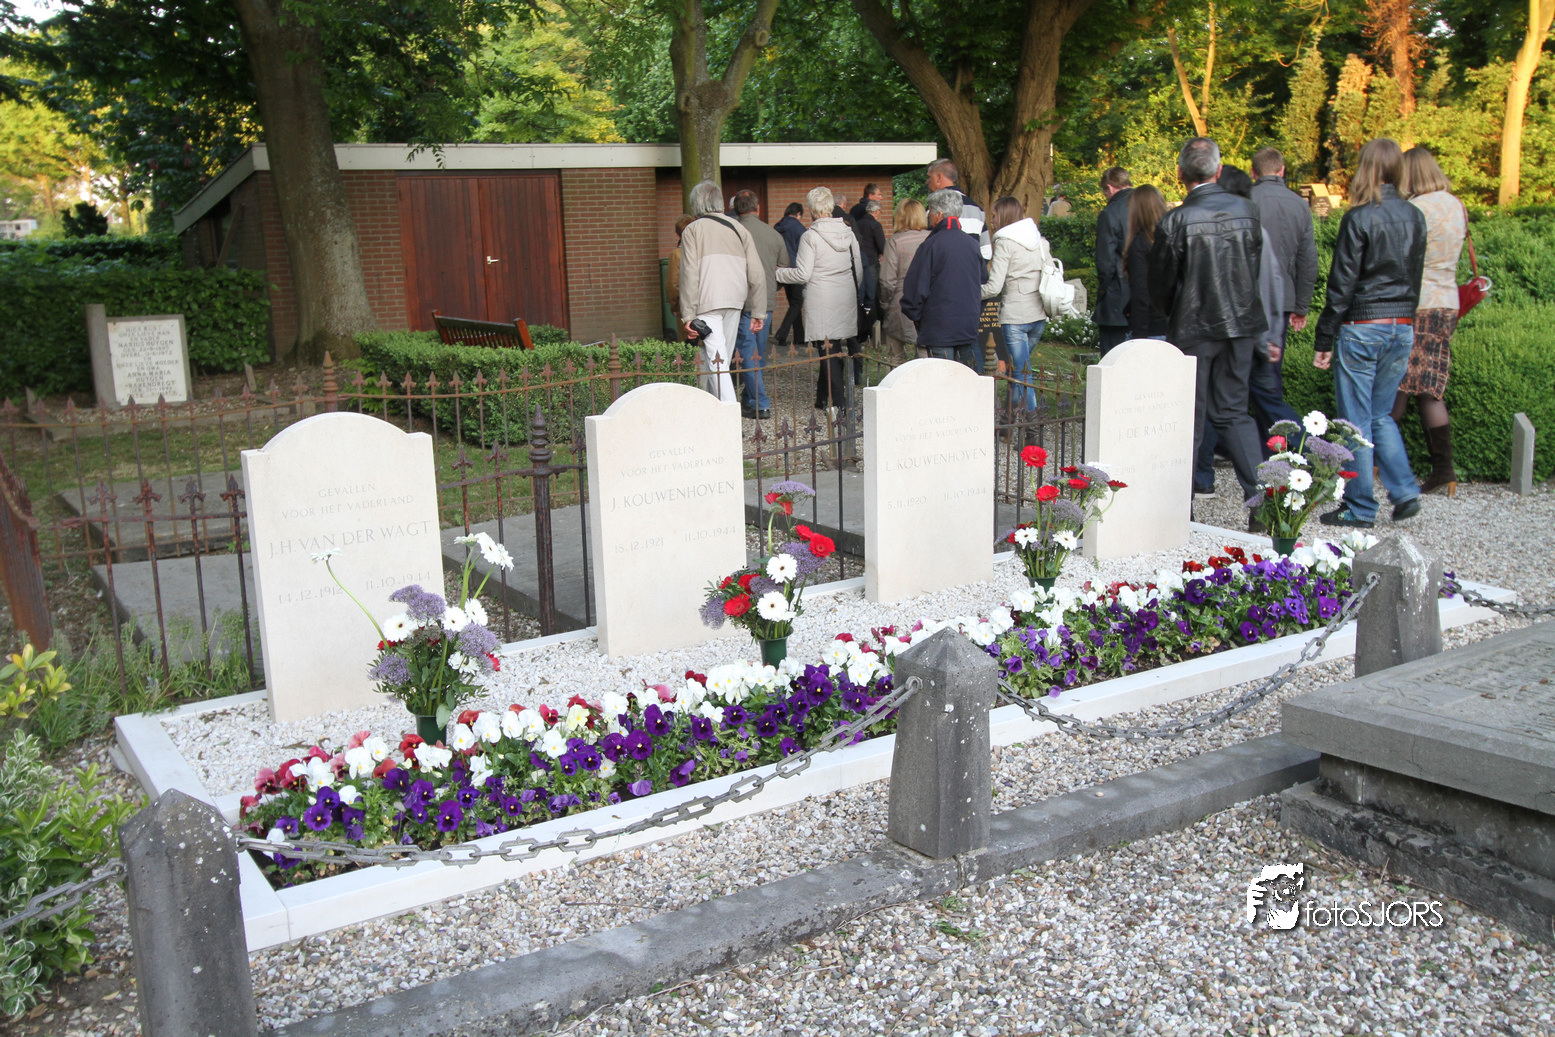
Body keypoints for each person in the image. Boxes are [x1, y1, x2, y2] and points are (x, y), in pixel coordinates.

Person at [1148, 138, 1268, 518]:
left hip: (1195, 325)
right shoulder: (1248, 211)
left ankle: (1178, 510)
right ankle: (1264, 504)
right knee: (1233, 411)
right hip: (1240, 324)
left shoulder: (1176, 220)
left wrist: (1175, 313)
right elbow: (1252, 267)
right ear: (1218, 170)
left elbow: (1160, 284)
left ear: (1180, 173)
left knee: (1190, 415)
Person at [1312, 138, 1426, 529]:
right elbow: (1415, 275)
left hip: (1363, 326)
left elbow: (1341, 285)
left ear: (1365, 169)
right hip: (1401, 325)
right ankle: (1405, 491)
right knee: (1380, 415)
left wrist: (1324, 338)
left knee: (1357, 421)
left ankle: (1360, 508)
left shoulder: (1358, 218)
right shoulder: (1415, 216)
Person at [1390, 146, 1467, 498]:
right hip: (1447, 302)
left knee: (1399, 381)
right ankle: (1443, 470)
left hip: (1418, 303)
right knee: (1428, 386)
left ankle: (1375, 461)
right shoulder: (1456, 204)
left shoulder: (1416, 209)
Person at [775, 186, 864, 413]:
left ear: (811, 209)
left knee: (827, 349)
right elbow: (858, 269)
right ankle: (822, 398)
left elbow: (803, 274)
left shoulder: (810, 236)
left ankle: (840, 403)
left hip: (821, 296)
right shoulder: (848, 233)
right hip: (845, 293)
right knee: (834, 345)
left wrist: (778, 273)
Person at [678, 179, 766, 404]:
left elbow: (689, 274)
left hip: (707, 301)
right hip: (735, 300)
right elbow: (756, 271)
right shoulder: (739, 228)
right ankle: (713, 409)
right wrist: (758, 311)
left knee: (716, 362)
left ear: (696, 204)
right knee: (720, 362)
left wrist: (688, 315)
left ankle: (728, 412)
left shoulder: (693, 230)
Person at [1249, 147, 1317, 432]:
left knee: (1240, 380)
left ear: (1253, 172)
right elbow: (1308, 259)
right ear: (1282, 170)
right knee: (1269, 376)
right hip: (1282, 300)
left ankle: (1279, 437)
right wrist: (1301, 306)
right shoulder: (1299, 204)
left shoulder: (1245, 199)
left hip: (1246, 299)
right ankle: (1274, 444)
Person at [980, 196, 1051, 417]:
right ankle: (1009, 414)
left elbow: (994, 287)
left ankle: (1032, 420)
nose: (991, 221)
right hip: (1039, 315)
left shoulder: (1005, 243)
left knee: (1022, 373)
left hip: (1016, 318)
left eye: (994, 216)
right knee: (1017, 368)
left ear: (1004, 216)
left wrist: (969, 292)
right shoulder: (1040, 241)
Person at [899, 188, 983, 369]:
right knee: (962, 376)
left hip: (939, 327)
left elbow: (915, 289)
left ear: (938, 215)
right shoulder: (972, 244)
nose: (928, 217)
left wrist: (916, 317)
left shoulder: (931, 245)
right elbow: (982, 281)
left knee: (942, 378)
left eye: (930, 212)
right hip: (967, 325)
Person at [732, 189, 791, 420]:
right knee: (758, 353)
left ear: (736, 208)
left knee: (748, 353)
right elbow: (783, 269)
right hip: (766, 302)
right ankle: (750, 400)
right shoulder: (773, 234)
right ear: (758, 207)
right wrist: (772, 288)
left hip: (744, 301)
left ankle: (760, 403)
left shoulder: (733, 232)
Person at [878, 198, 930, 364]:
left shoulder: (895, 241)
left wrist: (885, 303)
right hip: (927, 303)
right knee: (925, 356)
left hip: (900, 302)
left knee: (895, 357)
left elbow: (887, 280)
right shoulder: (932, 238)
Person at [1094, 166, 1134, 355]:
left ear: (1109, 188)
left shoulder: (1110, 213)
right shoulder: (1149, 206)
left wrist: (1103, 291)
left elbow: (1105, 261)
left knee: (1113, 357)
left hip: (1118, 296)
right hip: (1148, 298)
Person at [1122, 185, 1169, 341]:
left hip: (1151, 328)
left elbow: (1141, 294)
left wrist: (1139, 336)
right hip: (1174, 325)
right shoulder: (1171, 239)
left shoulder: (1140, 244)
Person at [853, 196, 887, 360]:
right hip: (872, 263)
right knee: (872, 297)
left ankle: (862, 329)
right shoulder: (875, 225)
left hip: (858, 262)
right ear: (877, 211)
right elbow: (882, 246)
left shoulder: (857, 223)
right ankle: (874, 332)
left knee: (862, 295)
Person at [773, 202, 807, 349]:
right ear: (799, 214)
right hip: (795, 269)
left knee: (794, 303)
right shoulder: (800, 229)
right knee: (797, 303)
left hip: (781, 269)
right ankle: (782, 333)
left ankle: (799, 337)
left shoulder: (777, 226)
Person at [665, 213, 694, 339]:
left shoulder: (677, 254)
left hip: (686, 306)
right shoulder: (703, 251)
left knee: (688, 342)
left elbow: (673, 284)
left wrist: (674, 305)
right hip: (707, 306)